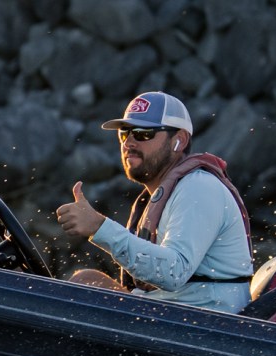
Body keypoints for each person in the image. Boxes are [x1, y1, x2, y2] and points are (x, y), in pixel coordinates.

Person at [55, 92, 254, 313]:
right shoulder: (162, 194)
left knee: (81, 287)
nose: (129, 142)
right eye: (124, 133)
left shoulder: (199, 187)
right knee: (87, 281)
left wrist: (99, 227)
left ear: (179, 140)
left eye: (143, 133)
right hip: (172, 315)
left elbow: (173, 272)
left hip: (206, 324)